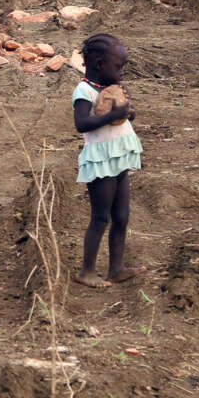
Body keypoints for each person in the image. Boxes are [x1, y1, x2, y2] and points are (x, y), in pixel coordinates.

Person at [71, 34, 146, 288]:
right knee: (101, 217)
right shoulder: (84, 91)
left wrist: (127, 113)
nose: (122, 72)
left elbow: (122, 119)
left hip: (119, 158)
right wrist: (112, 114)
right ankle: (87, 271)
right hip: (101, 161)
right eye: (118, 67)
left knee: (122, 216)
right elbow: (81, 123)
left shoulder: (113, 89)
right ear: (100, 64)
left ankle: (116, 268)